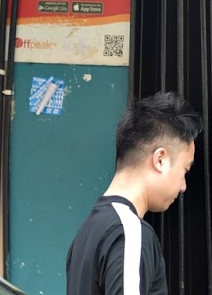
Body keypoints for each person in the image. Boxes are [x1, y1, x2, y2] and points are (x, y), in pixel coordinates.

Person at [67, 91, 203, 295]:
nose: (183, 186)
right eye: (185, 170)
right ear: (160, 160)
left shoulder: (86, 232)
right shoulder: (128, 232)